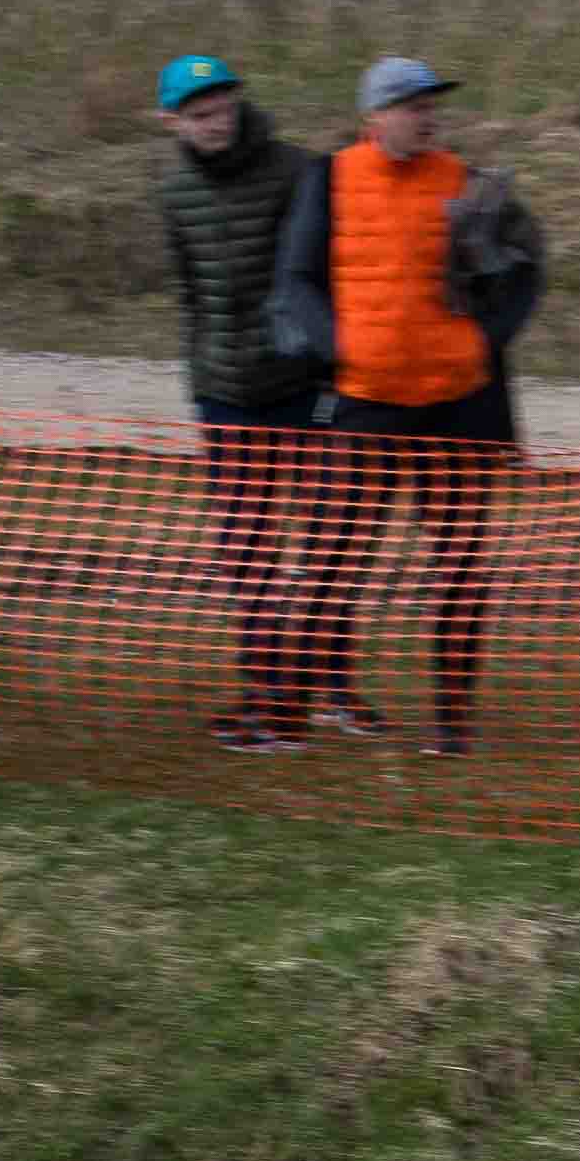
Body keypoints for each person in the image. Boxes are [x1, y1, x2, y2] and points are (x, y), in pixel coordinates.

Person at [269, 56, 547, 759]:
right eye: (412, 106)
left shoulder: (465, 182)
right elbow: (295, 279)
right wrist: (340, 349)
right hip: (365, 403)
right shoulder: (328, 179)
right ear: (374, 116)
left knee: (459, 565)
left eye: (431, 105)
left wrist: (486, 338)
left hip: (456, 405)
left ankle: (452, 718)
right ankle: (302, 703)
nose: (428, 117)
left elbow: (528, 263)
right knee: (334, 558)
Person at [150, 56, 339, 752]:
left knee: (325, 542)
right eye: (200, 115)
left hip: (299, 388)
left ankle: (327, 684)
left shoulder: (297, 171)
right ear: (174, 122)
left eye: (223, 108)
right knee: (248, 551)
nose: (216, 123)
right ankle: (267, 691)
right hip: (224, 395)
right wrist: (202, 379)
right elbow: (191, 293)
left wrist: (327, 374)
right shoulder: (175, 194)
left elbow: (325, 275)